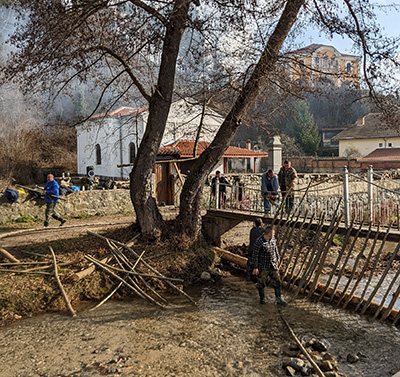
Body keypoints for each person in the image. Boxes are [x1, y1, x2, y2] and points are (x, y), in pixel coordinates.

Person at [252, 226, 286, 305]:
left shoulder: (273, 239)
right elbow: (255, 255)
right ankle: (262, 299)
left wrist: (278, 257)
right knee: (261, 283)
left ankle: (279, 298)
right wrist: (255, 267)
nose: (274, 235)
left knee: (277, 281)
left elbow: (275, 248)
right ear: (270, 234)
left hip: (273, 264)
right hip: (263, 266)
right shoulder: (259, 241)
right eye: (273, 233)